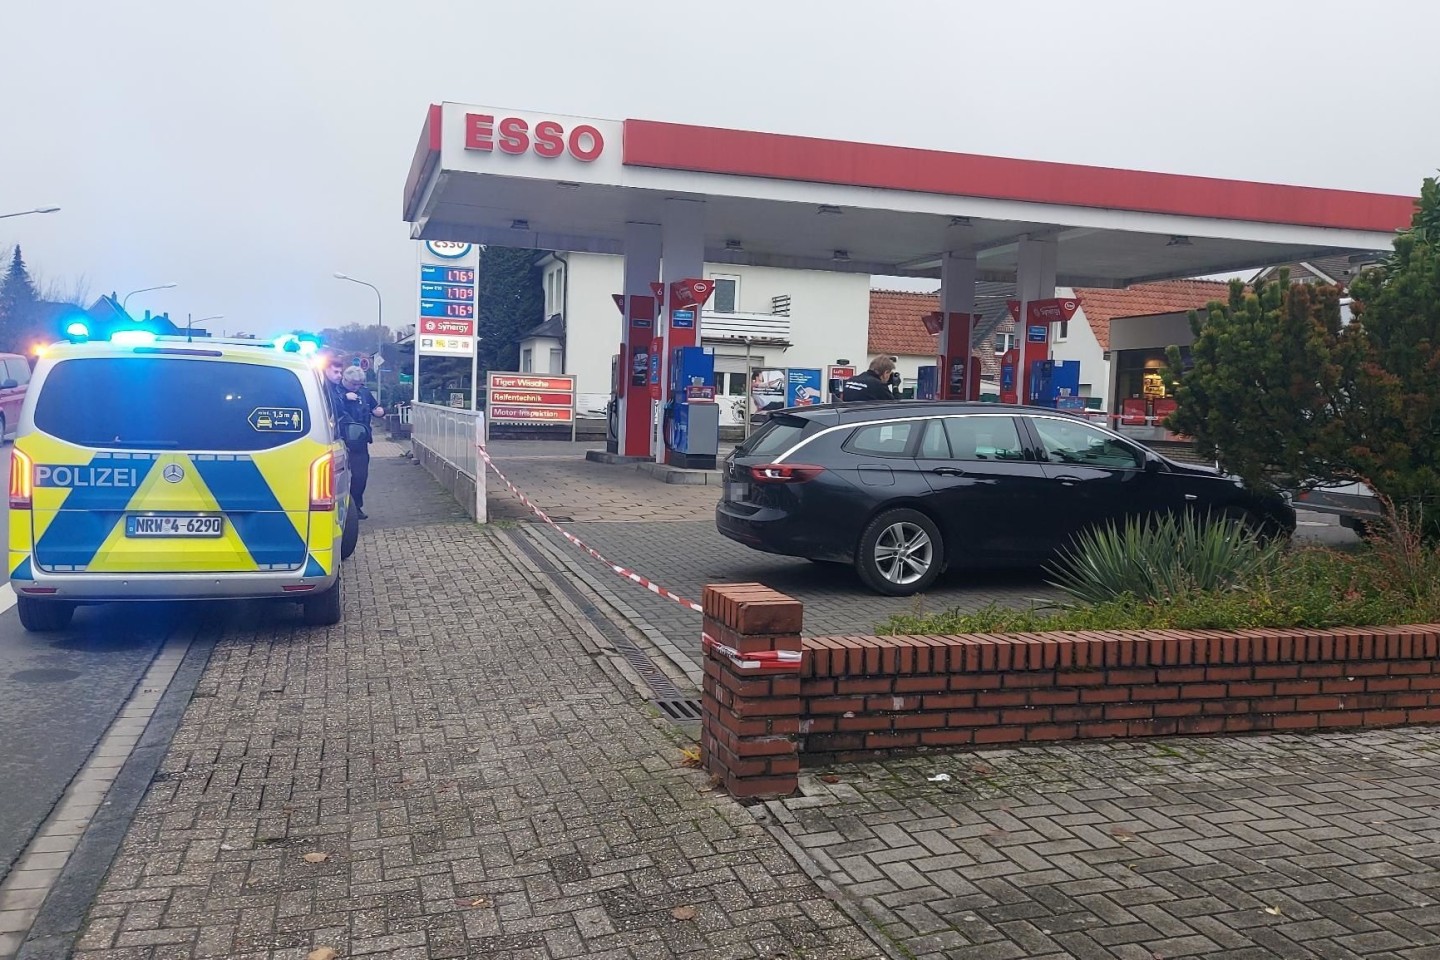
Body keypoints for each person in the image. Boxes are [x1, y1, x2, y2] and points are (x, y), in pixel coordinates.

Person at [339, 366, 385, 520]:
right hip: (340, 440)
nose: (357, 387)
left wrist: (379, 411)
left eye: (359, 384)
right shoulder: (336, 390)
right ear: (345, 380)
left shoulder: (364, 392)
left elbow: (374, 406)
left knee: (360, 476)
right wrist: (344, 398)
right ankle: (340, 508)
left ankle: (355, 506)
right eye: (354, 384)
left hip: (359, 441)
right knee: (338, 477)